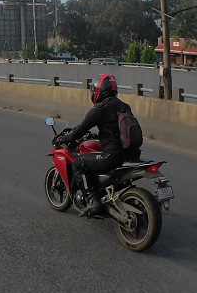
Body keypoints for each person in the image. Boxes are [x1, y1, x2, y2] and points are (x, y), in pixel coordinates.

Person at [58, 73, 140, 217]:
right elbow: (115, 129)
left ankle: (91, 200)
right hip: (131, 153)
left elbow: (81, 129)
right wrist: (100, 136)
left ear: (98, 91)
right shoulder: (123, 105)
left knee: (78, 163)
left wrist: (66, 138)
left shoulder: (101, 108)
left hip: (112, 155)